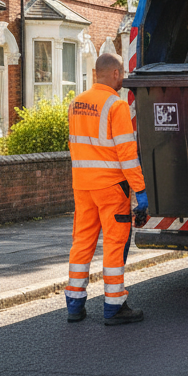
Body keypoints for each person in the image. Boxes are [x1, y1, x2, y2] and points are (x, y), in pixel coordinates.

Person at [64, 53, 149, 326]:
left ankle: (74, 305)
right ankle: (114, 306)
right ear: (115, 74)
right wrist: (140, 191)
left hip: (82, 187)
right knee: (114, 245)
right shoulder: (116, 105)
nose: (123, 78)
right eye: (122, 73)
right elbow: (127, 153)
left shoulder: (75, 104)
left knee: (82, 243)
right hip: (111, 188)